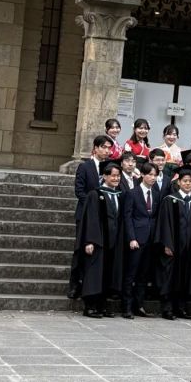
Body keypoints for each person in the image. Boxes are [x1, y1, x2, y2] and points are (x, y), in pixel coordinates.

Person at [77, 160, 125, 318]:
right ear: (104, 176)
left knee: (108, 273)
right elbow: (91, 219)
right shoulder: (95, 194)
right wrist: (89, 241)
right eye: (113, 176)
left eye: (118, 176)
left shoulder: (119, 195)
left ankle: (102, 305)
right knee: (94, 274)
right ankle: (90, 306)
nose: (116, 179)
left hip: (114, 241)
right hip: (98, 241)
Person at [68, 135, 113, 299]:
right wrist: (95, 203)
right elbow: (79, 191)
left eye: (109, 148)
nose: (107, 151)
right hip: (86, 215)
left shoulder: (110, 168)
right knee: (81, 250)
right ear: (95, 148)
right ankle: (75, 284)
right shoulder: (85, 167)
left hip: (104, 217)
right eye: (104, 147)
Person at [154, 164, 191, 320]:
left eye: (190, 181)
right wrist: (167, 244)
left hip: (188, 246)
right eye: (185, 181)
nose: (188, 184)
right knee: (169, 276)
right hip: (173, 246)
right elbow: (164, 224)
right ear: (178, 182)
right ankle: (167, 308)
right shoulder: (170, 200)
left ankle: (181, 307)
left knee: (186, 276)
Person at [121, 162, 160, 319]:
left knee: (144, 274)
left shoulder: (156, 194)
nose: (152, 178)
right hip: (137, 238)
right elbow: (127, 217)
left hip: (150, 239)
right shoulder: (133, 193)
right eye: (150, 174)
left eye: (155, 175)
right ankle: (127, 307)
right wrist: (132, 238)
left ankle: (139, 305)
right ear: (142, 175)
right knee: (131, 274)